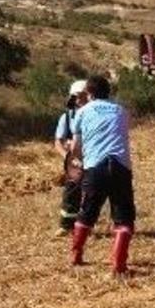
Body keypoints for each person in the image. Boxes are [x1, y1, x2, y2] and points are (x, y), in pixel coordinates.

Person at [68, 74, 135, 274]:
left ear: (88, 93)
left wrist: (77, 159)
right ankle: (119, 264)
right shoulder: (122, 111)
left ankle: (76, 254)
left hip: (95, 167)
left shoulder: (82, 112)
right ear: (109, 92)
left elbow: (76, 147)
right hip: (121, 166)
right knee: (124, 218)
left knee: (87, 211)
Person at [54, 80, 89, 231]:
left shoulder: (95, 115)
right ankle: (67, 225)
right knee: (72, 190)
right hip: (75, 161)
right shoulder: (67, 117)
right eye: (78, 96)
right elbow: (58, 141)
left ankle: (86, 223)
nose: (81, 99)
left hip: (94, 158)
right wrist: (68, 158)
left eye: (84, 95)